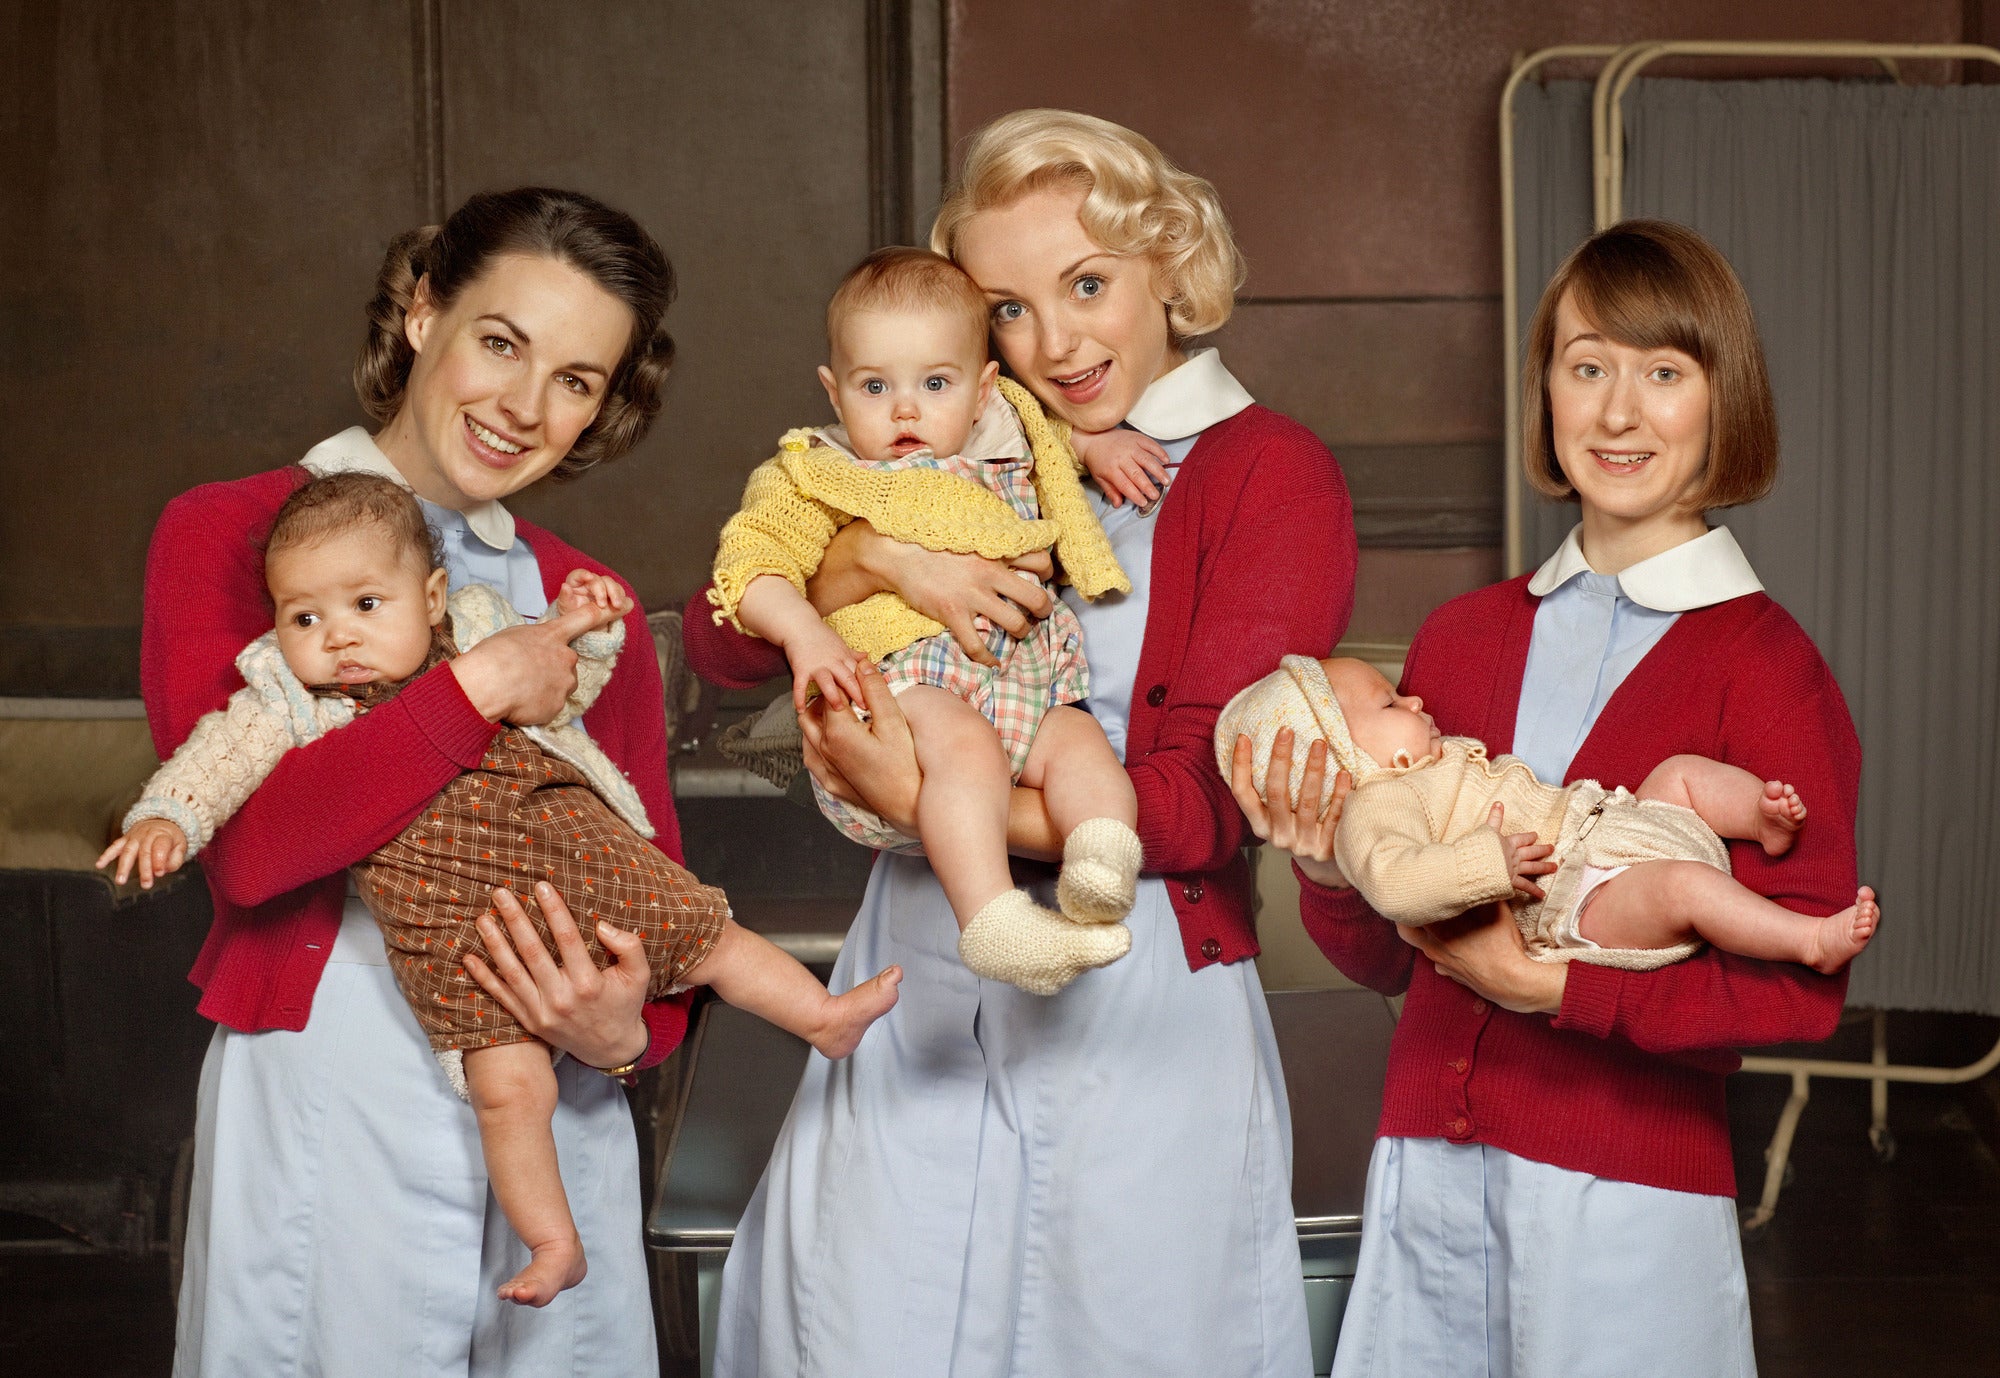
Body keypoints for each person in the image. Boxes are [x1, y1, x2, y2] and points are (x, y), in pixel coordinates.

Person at [684, 108, 1355, 1377]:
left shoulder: (1268, 472)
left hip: (1139, 966)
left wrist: (940, 795)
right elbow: (721, 648)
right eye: (1005, 307)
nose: (1054, 342)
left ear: (1172, 267)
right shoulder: (925, 444)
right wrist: (870, 555)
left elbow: (1212, 801)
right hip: (914, 956)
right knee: (870, 1328)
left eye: (1088, 285)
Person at [1232, 220, 1861, 1375]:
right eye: (1586, 366)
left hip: (1623, 1190)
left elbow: (1797, 997)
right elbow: (1390, 954)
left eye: (1661, 373)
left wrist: (1548, 985)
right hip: (1425, 1165)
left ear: (1725, 402)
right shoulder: (1460, 639)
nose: (1617, 414)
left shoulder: (1768, 667)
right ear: (1546, 390)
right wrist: (1324, 868)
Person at [105, 472, 901, 1308]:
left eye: (367, 607)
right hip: (456, 937)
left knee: (711, 936)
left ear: (433, 593)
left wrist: (588, 629)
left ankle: (823, 1017)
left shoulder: (485, 620)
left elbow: (572, 680)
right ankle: (553, 1241)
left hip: (578, 858)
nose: (338, 637)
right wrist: (167, 818)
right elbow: (218, 760)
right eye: (305, 618)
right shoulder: (286, 695)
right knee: (508, 1088)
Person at [148, 187, 694, 1375]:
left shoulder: (585, 604)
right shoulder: (230, 531)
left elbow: (657, 893)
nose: (521, 407)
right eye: (500, 342)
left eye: (575, 379)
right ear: (421, 307)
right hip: (332, 1095)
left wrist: (623, 1032)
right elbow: (248, 854)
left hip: (554, 1108)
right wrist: (476, 687)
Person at [711, 245, 1181, 994]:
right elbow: (750, 566)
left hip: (1025, 686)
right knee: (966, 751)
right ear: (834, 395)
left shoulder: (1008, 433)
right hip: (903, 696)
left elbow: (1055, 443)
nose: (905, 409)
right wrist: (806, 634)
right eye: (875, 386)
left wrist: (1096, 441)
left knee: (1082, 745)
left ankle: (1098, 864)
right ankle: (992, 918)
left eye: (935, 383)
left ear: (982, 390)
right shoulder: (816, 473)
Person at [1220, 653, 1878, 974]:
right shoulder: (1378, 805)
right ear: (1346, 762)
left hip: (1611, 822)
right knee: (1686, 889)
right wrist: (1488, 864)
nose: (1415, 701)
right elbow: (1394, 884)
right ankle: (1806, 941)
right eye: (1391, 705)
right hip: (1578, 893)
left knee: (1680, 775)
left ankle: (1756, 819)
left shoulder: (1433, 758)